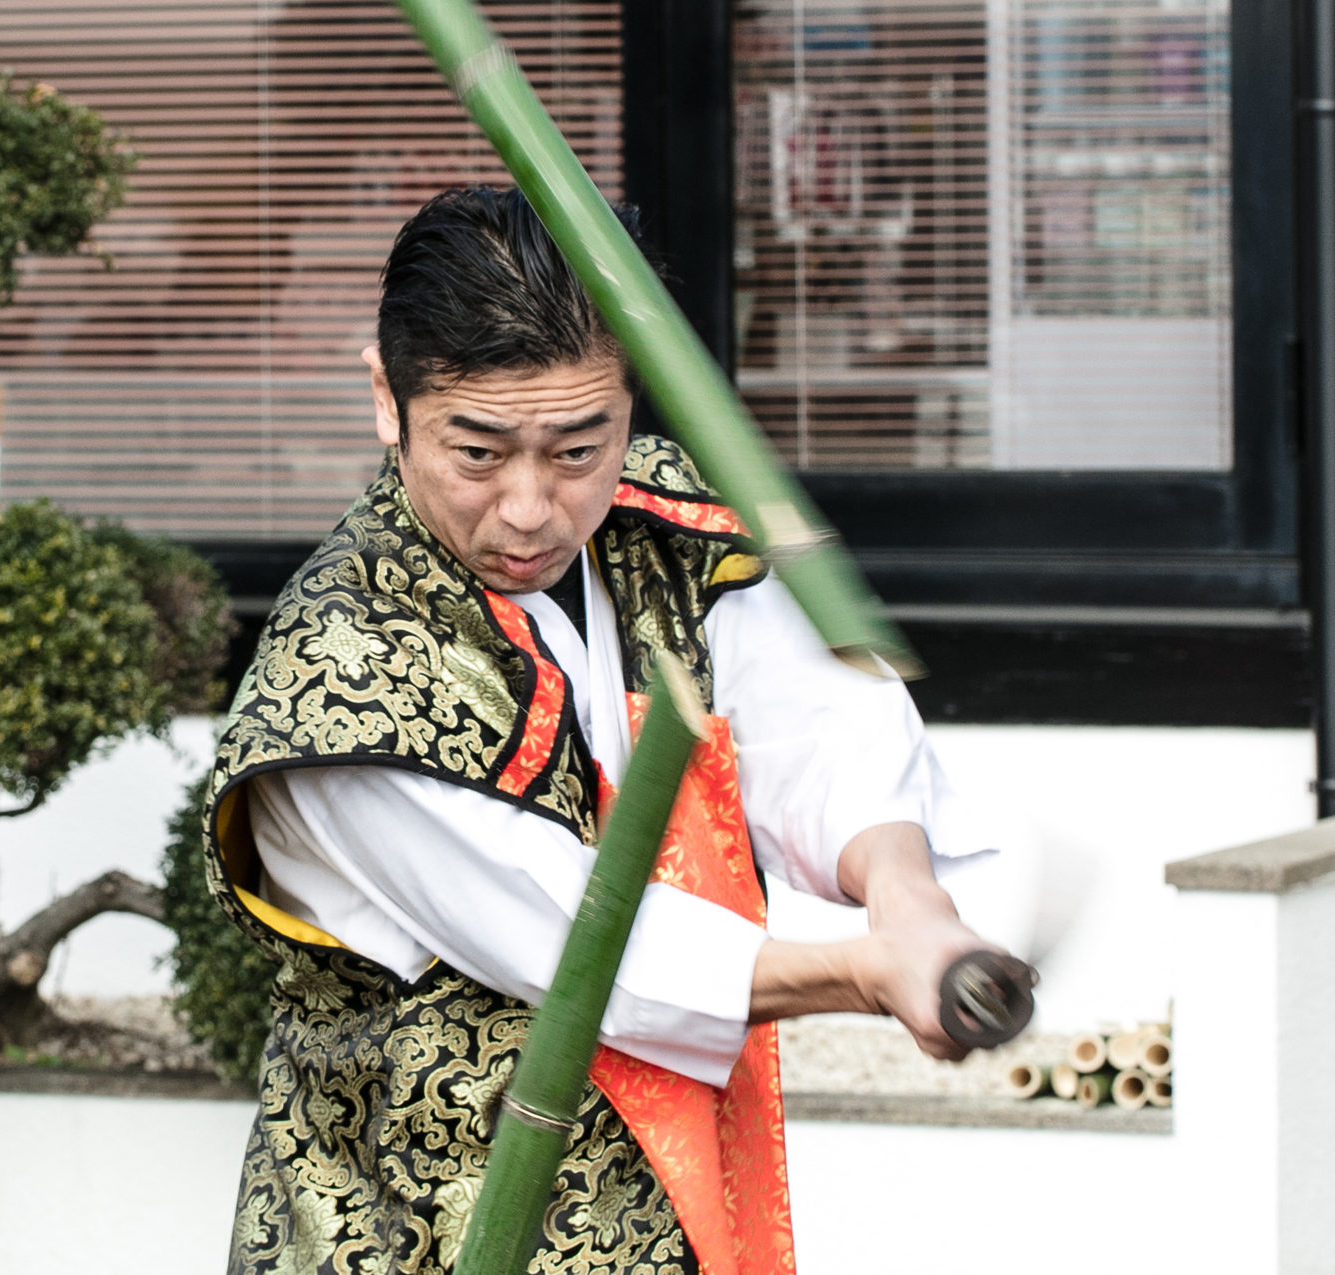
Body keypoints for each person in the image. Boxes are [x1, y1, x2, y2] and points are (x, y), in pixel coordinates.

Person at [201, 186, 1001, 1275]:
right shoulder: (341, 670)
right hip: (424, 1230)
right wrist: (867, 973)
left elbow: (821, 728)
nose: (531, 508)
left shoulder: (665, 526)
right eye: (477, 453)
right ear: (388, 398)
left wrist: (910, 902)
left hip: (669, 1208)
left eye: (578, 447)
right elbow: (582, 947)